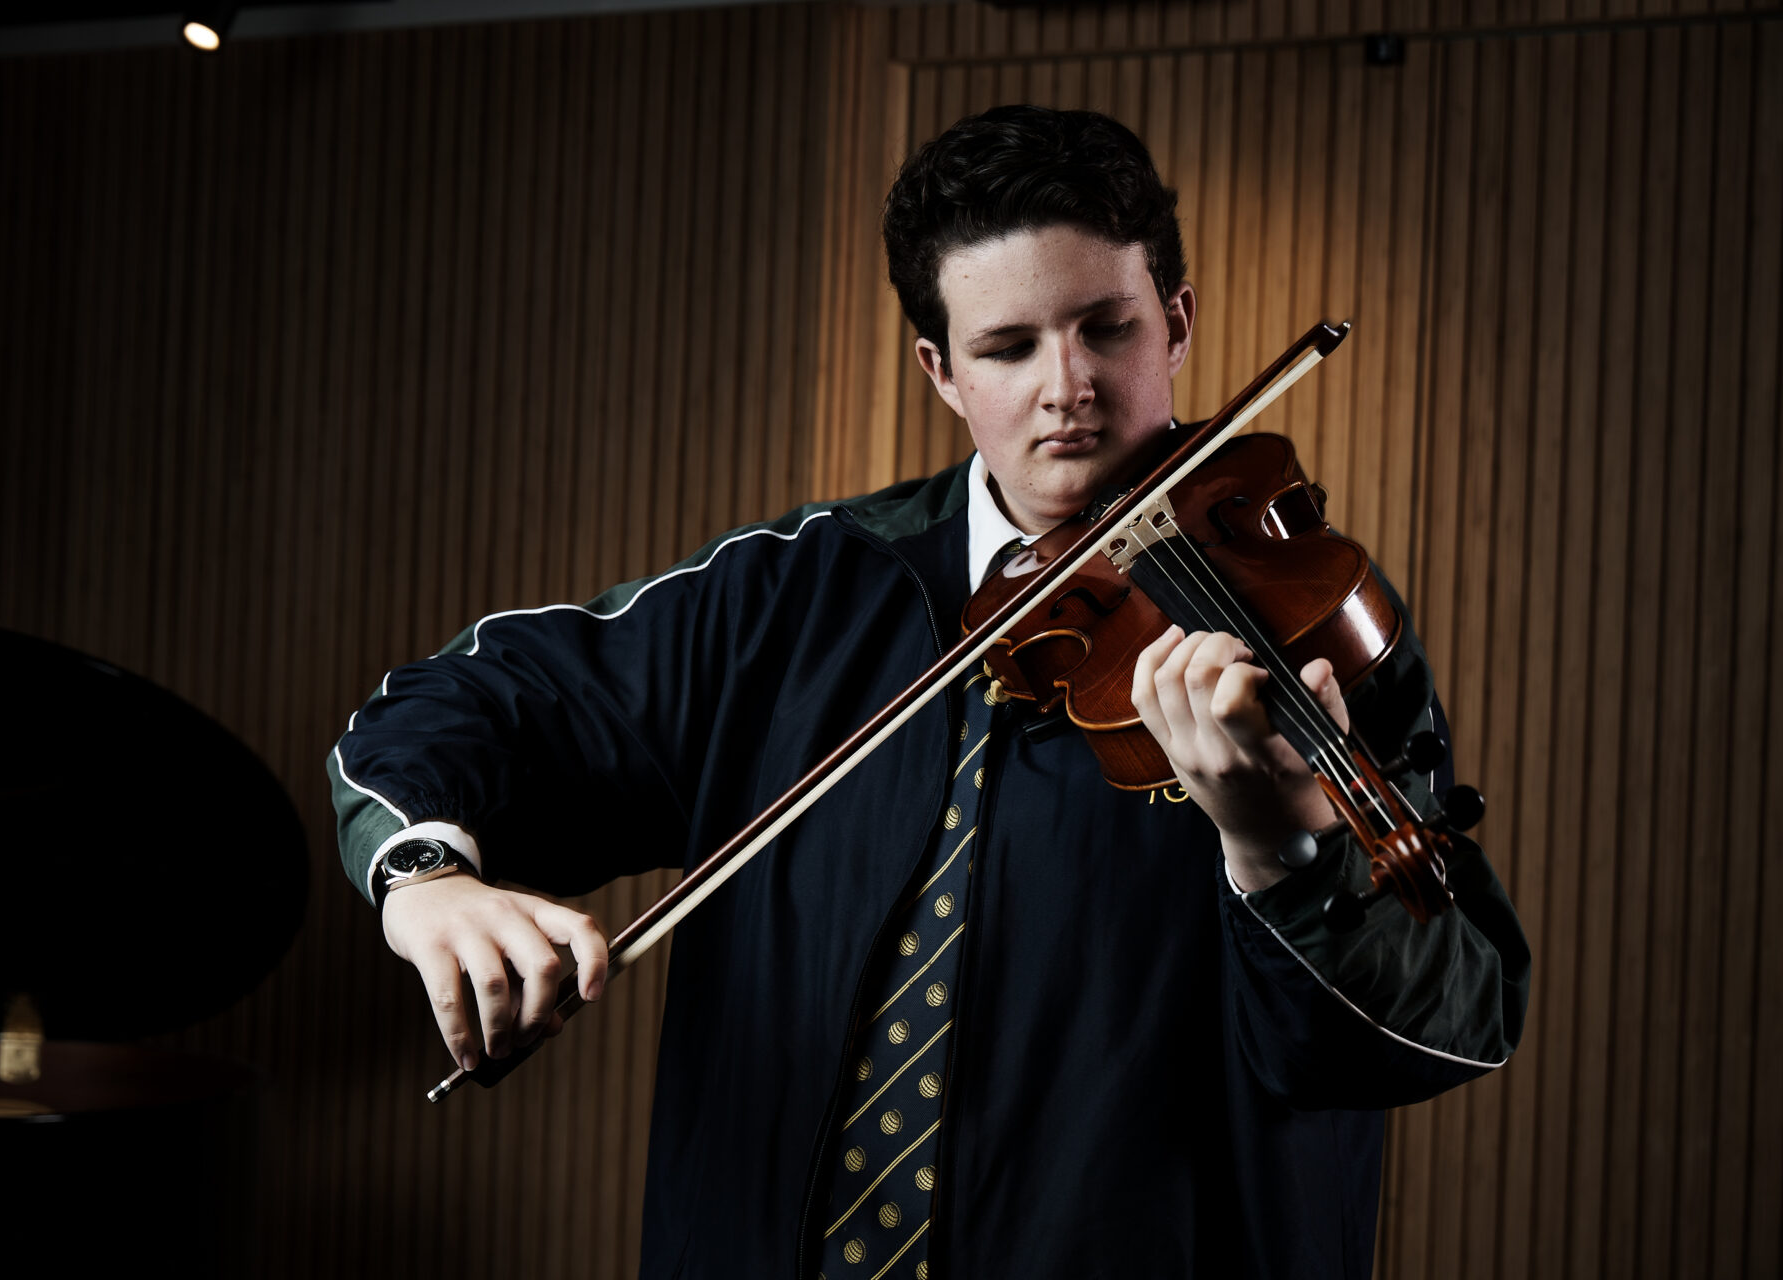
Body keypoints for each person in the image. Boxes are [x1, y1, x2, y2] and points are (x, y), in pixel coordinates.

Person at [330, 104, 1528, 1279]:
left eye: (1107, 329)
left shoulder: (1301, 614)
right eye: (1009, 349)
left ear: (1177, 323)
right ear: (942, 370)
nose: (1069, 388)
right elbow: (462, 709)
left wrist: (1285, 857)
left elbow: (1452, 1011)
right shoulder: (785, 595)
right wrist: (424, 880)